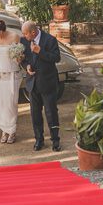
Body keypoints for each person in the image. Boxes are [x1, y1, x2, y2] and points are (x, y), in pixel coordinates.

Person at [20, 20, 62, 152]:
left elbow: (56, 58)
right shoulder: (24, 41)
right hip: (32, 83)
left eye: (26, 34)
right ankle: (39, 140)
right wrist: (26, 66)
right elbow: (24, 59)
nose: (25, 36)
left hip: (48, 82)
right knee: (35, 114)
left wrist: (40, 52)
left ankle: (55, 141)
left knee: (51, 113)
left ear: (33, 32)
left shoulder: (50, 40)